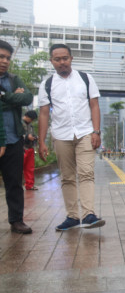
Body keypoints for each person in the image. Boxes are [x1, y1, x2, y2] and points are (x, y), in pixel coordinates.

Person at [38, 43, 106, 231]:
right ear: (52, 61)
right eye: (57, 59)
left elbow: (94, 105)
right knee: (67, 177)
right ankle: (73, 216)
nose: (62, 62)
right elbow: (44, 113)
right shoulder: (47, 84)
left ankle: (89, 215)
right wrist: (42, 142)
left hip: (85, 133)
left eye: (65, 58)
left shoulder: (85, 78)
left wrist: (96, 131)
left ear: (71, 58)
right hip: (61, 135)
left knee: (86, 173)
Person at [0, 39, 33, 234]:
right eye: (1, 57)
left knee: (14, 183)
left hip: (13, 140)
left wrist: (4, 97)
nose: (5, 61)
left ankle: (16, 220)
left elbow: (27, 98)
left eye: (7, 58)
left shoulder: (14, 80)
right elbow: (18, 99)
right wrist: (13, 98)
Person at [23, 110, 38, 190]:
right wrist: (26, 137)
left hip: (30, 148)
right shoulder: (20, 123)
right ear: (27, 116)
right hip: (22, 148)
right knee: (18, 168)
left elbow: (32, 134)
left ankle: (30, 185)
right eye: (31, 119)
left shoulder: (30, 126)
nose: (31, 121)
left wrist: (34, 137)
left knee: (30, 168)